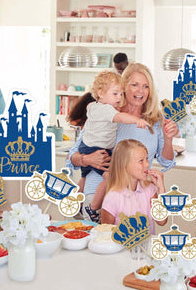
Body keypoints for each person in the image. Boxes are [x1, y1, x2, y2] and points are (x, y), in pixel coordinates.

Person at [67, 62, 178, 222]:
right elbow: (73, 155)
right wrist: (87, 159)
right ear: (123, 87)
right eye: (134, 85)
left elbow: (166, 162)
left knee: (132, 235)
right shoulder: (108, 113)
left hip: (134, 197)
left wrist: (168, 140)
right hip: (98, 191)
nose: (140, 91)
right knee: (100, 237)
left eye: (146, 86)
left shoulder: (156, 120)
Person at [78, 70, 150, 222]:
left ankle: (78, 199)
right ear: (100, 93)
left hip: (88, 146)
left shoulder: (94, 106)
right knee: (110, 177)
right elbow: (121, 118)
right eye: (115, 94)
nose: (119, 98)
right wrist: (136, 120)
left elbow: (90, 107)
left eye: (121, 94)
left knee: (84, 176)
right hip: (96, 149)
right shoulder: (106, 109)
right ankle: (93, 208)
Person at [101, 139, 167, 234]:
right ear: (125, 165)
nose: (147, 164)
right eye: (141, 161)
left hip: (147, 244)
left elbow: (162, 221)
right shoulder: (113, 197)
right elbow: (105, 235)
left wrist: (161, 188)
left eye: (147, 159)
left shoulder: (149, 189)